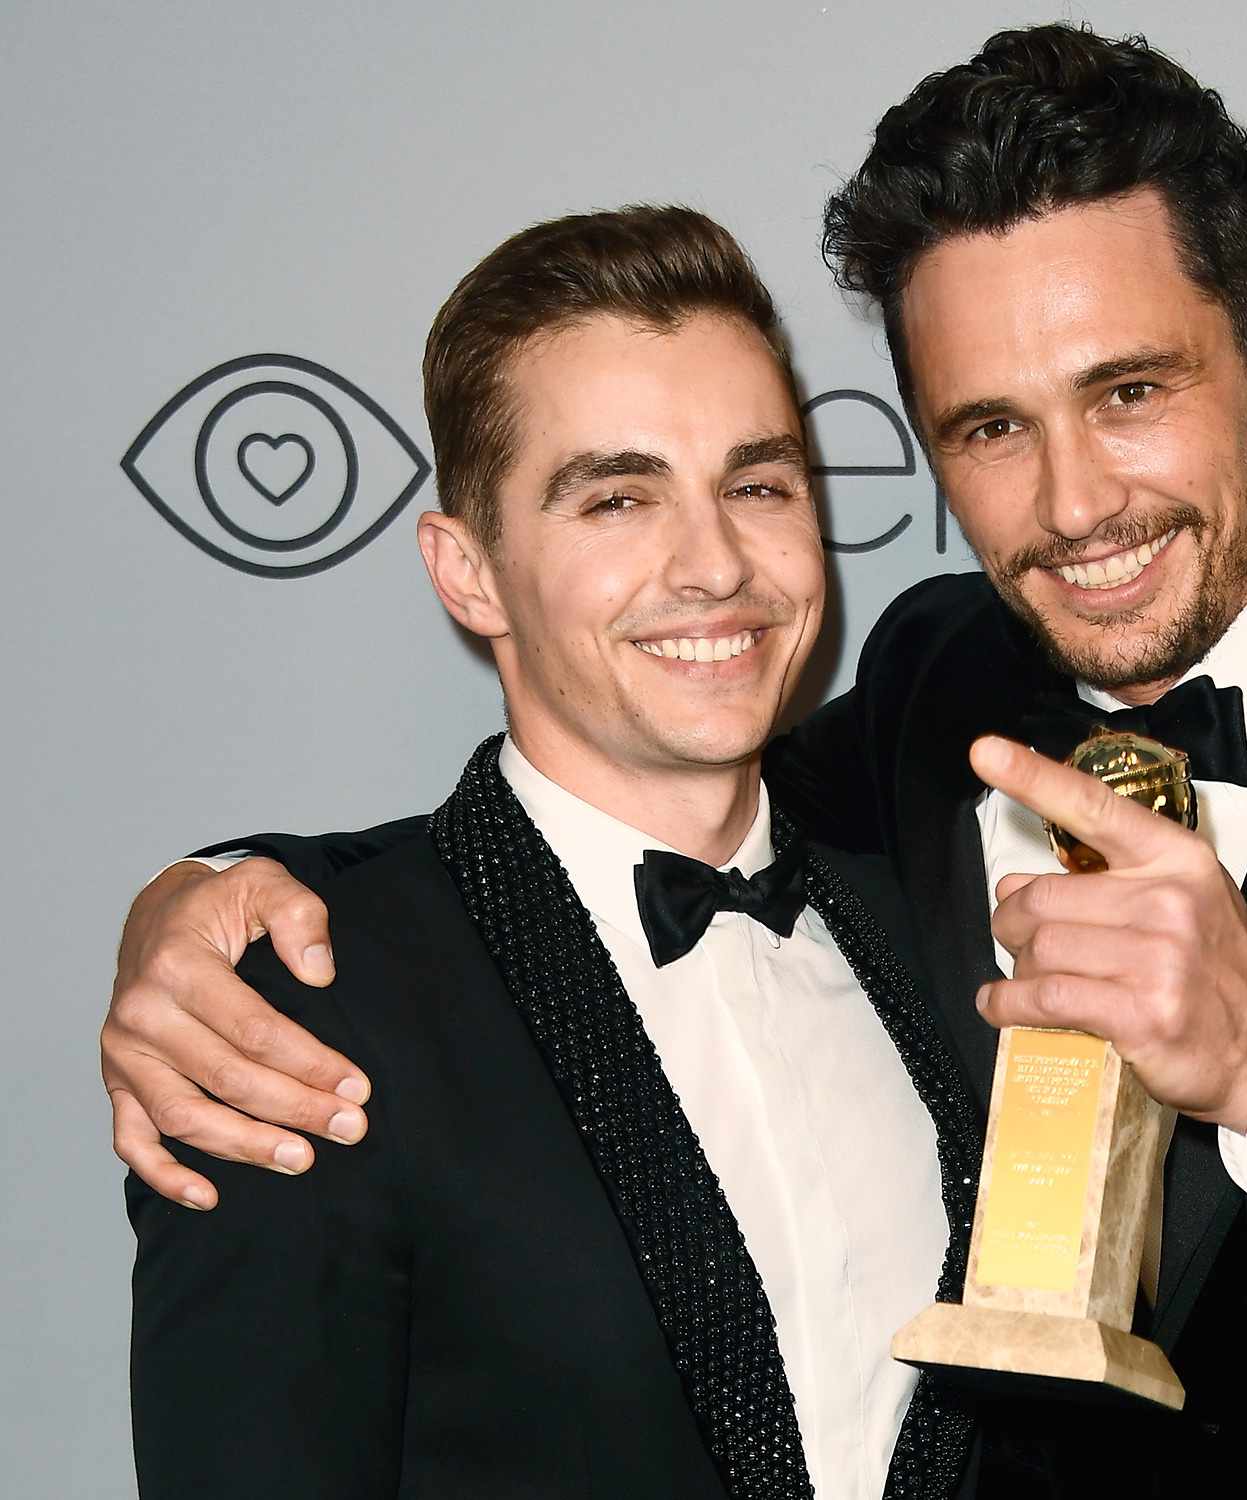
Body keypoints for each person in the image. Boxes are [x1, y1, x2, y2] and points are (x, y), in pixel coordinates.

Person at [106, 25, 1247, 1497]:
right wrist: (214, 899)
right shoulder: (946, 682)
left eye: (1129, 393)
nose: (1075, 507)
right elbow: (630, 807)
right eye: (990, 431)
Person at [122, 204, 982, 1500]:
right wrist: (183, 887)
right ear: (470, 573)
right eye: (618, 498)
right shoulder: (297, 1024)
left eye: (756, 483)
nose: (715, 564)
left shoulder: (939, 919)